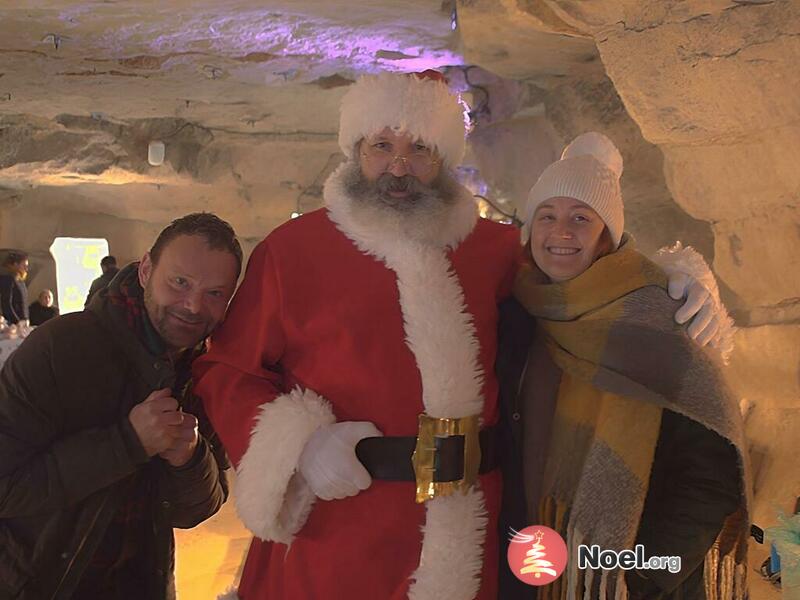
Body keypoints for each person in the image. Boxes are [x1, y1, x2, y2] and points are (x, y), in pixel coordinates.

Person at [193, 72, 730, 600]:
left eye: (420, 148)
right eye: (382, 145)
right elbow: (228, 371)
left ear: (443, 160)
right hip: (341, 519)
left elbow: (581, 274)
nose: (399, 166)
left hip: (473, 525)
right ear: (355, 150)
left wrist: (669, 279)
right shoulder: (291, 251)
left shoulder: (495, 248)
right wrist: (303, 447)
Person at [497, 133, 748, 599]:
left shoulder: (657, 318)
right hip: (534, 562)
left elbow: (710, 475)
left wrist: (636, 575)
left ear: (608, 235)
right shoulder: (521, 312)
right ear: (529, 231)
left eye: (581, 218)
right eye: (547, 216)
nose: (562, 232)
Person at [0, 213, 241, 600]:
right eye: (180, 282)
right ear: (146, 270)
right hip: (37, 582)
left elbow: (196, 509)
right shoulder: (60, 347)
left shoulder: (206, 370)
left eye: (215, 293)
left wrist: (191, 458)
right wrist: (127, 443)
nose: (193, 305)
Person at [0, 251, 29, 325]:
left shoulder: (21, 281)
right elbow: (6, 303)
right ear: (15, 265)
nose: (26, 269)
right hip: (13, 323)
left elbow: (23, 303)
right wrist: (17, 321)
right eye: (24, 265)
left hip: (23, 321)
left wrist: (26, 319)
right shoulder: (8, 280)